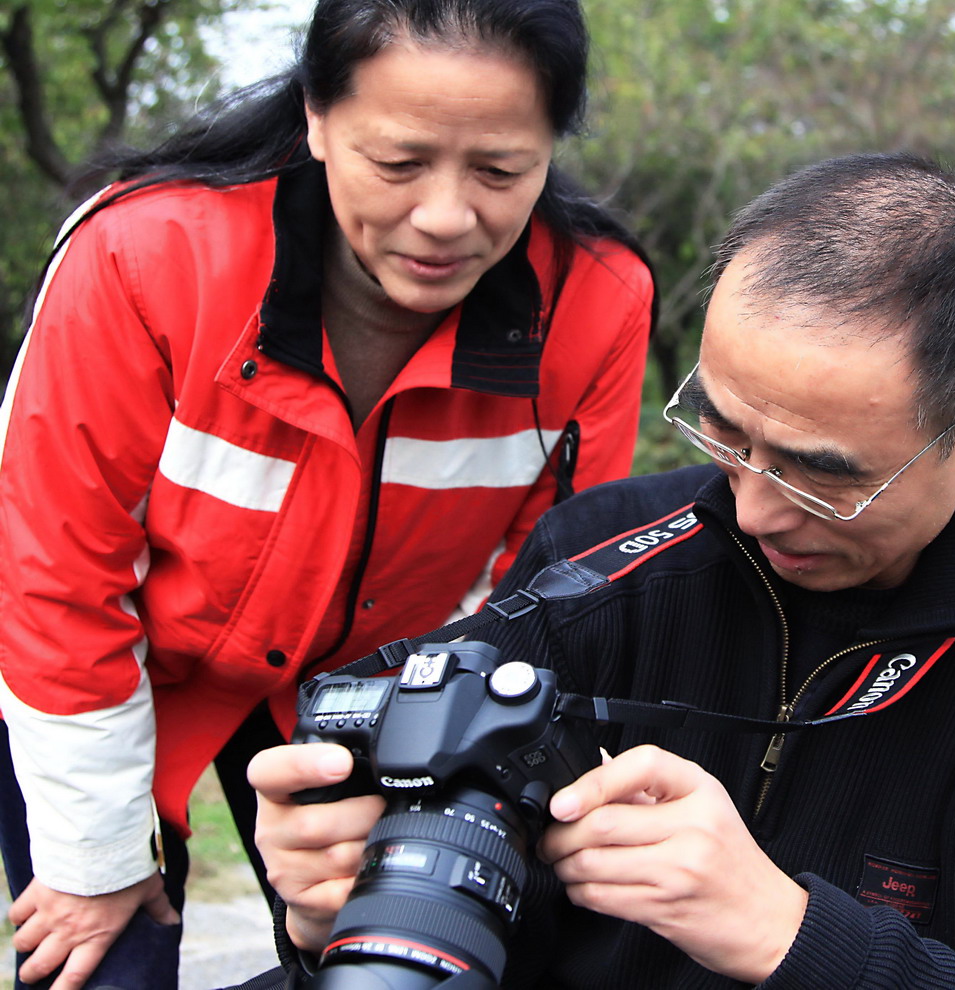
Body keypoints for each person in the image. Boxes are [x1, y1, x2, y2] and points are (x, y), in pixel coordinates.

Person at [248, 151, 955, 989]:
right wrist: (339, 906)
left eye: (824, 474)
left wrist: (791, 935)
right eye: (727, 435)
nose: (755, 513)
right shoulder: (596, 561)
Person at [0, 0, 656, 985]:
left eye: (499, 170)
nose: (444, 217)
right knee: (103, 958)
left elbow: (548, 593)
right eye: (397, 164)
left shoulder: (597, 302)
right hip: (108, 678)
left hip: (380, 688)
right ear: (315, 115)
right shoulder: (141, 257)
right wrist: (93, 864)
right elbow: (52, 577)